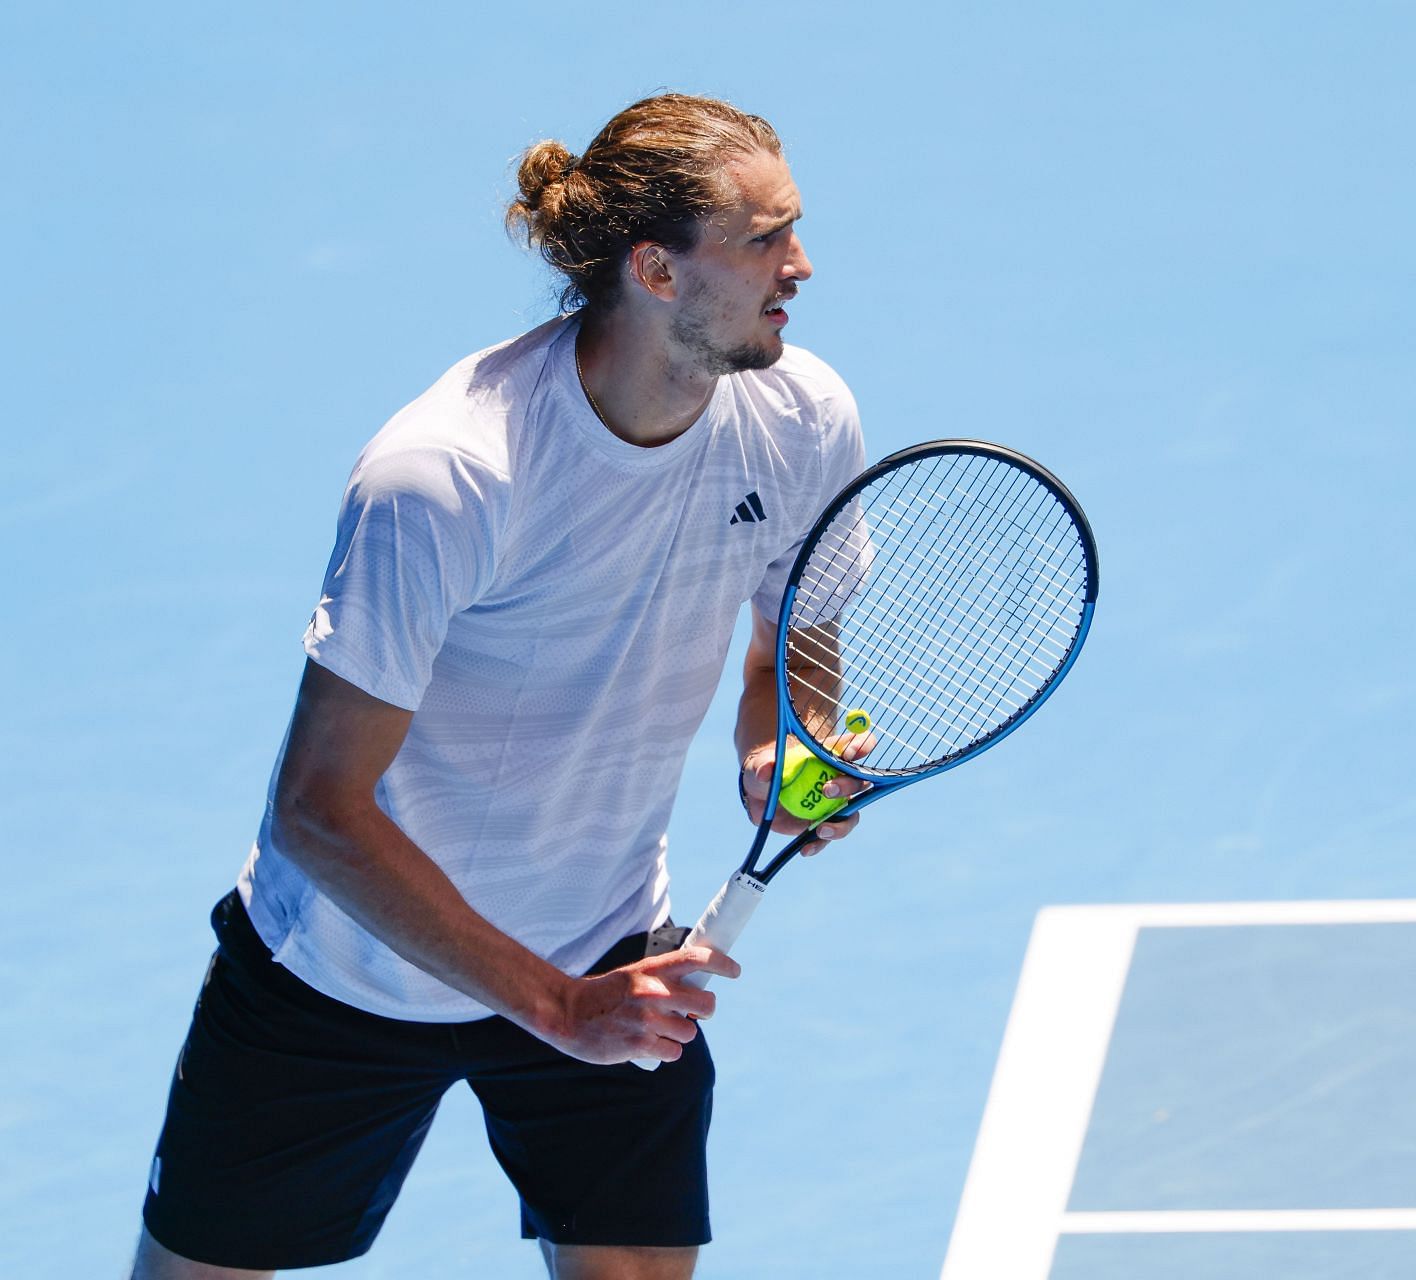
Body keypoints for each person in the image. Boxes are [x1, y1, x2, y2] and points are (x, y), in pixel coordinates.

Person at [131, 93, 866, 1280]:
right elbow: (320, 809)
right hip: (348, 969)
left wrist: (785, 747)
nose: (803, 263)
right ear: (656, 270)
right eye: (765, 236)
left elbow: (793, 641)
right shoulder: (450, 474)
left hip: (606, 944)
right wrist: (556, 1008)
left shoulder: (800, 416)